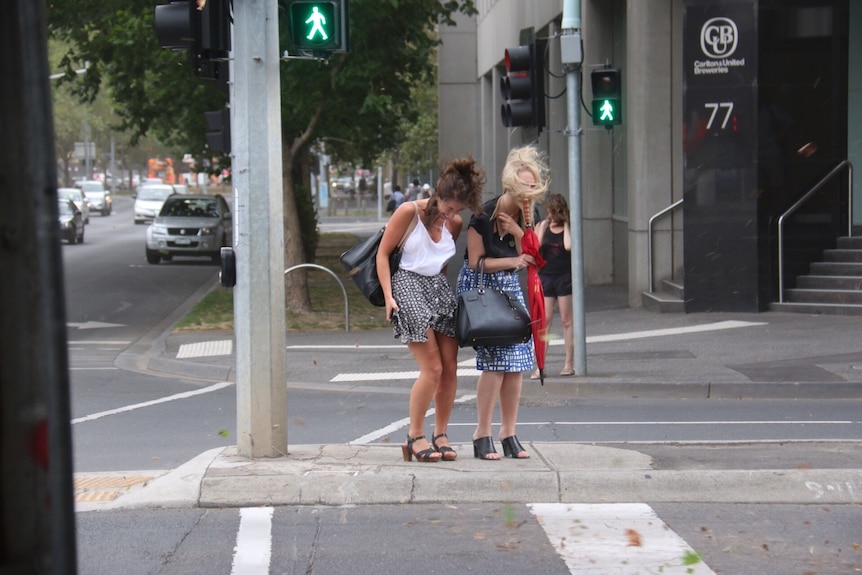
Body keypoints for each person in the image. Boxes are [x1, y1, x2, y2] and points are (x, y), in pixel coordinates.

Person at [377, 158, 485, 462]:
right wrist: (389, 296)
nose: (451, 215)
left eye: (457, 210)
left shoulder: (455, 223)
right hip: (407, 284)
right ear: (438, 194)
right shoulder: (409, 212)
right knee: (433, 368)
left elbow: (442, 262)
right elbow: (382, 255)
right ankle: (415, 435)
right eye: (448, 207)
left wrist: (442, 291)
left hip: (436, 286)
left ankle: (440, 434)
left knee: (450, 367)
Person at [456, 145, 549, 460]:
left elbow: (534, 257)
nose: (529, 193)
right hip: (483, 289)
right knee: (496, 365)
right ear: (511, 185)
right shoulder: (484, 214)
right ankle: (481, 433)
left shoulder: (530, 213)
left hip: (509, 289)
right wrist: (513, 260)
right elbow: (474, 263)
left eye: (533, 186)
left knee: (518, 366)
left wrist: (518, 232)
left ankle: (508, 431)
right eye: (524, 186)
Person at [532, 193, 574, 378]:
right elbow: (536, 246)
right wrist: (542, 227)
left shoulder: (568, 228)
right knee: (545, 321)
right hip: (546, 277)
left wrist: (566, 224)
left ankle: (568, 363)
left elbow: (568, 246)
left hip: (564, 277)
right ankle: (541, 366)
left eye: (553, 212)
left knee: (567, 320)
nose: (550, 216)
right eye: (548, 212)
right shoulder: (543, 226)